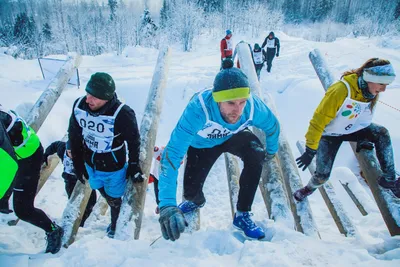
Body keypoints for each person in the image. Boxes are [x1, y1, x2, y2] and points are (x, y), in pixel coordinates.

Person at [158, 59, 280, 241]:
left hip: (233, 136)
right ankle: (195, 201)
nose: (238, 110)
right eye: (230, 103)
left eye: (242, 102)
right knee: (190, 193)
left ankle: (243, 214)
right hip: (203, 145)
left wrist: (271, 151)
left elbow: (272, 127)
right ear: (217, 100)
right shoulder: (198, 110)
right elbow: (172, 155)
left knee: (257, 154)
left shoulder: (253, 107)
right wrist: (167, 204)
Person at [294, 58, 399, 201]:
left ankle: (390, 179)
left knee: (382, 133)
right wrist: (310, 149)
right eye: (381, 84)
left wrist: (364, 137)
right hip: (330, 134)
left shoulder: (369, 91)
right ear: (369, 78)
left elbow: (364, 115)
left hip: (350, 128)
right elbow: (318, 121)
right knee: (322, 176)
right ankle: (308, 189)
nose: (384, 89)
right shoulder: (341, 90)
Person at [68, 72, 142, 238]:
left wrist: (133, 164)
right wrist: (78, 163)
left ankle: (115, 222)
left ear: (107, 97)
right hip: (90, 163)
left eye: (94, 97)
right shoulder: (79, 106)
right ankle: (111, 201)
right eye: (88, 94)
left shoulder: (123, 113)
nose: (88, 100)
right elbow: (74, 133)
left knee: (115, 198)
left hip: (113, 166)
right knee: (98, 187)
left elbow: (134, 141)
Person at [0, 105, 64, 254]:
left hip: (27, 158)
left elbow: (8, 165)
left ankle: (53, 230)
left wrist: (2, 198)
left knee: (23, 210)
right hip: (11, 156)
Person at [43, 139, 97, 226]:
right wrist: (45, 154)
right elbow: (54, 145)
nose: (72, 155)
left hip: (84, 180)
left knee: (91, 201)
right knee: (74, 201)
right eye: (69, 152)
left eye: (74, 152)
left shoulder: (84, 153)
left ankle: (82, 220)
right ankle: (74, 222)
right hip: (70, 180)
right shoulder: (62, 149)